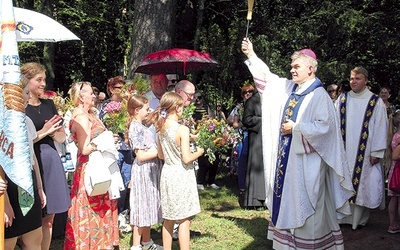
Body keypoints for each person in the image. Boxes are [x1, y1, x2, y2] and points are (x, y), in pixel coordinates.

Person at [241, 37, 354, 249]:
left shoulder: (319, 96)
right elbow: (268, 78)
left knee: (309, 210)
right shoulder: (290, 89)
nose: (292, 70)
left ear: (310, 68)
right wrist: (251, 55)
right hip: (288, 165)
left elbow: (326, 130)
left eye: (296, 67)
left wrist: (297, 128)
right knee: (286, 201)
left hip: (308, 166)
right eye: (292, 67)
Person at [64, 81, 119, 249]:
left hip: (96, 164)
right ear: (81, 97)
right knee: (90, 207)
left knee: (99, 204)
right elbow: (84, 148)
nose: (94, 95)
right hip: (90, 168)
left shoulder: (89, 114)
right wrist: (103, 141)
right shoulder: (81, 117)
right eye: (90, 93)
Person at [22, 62, 71, 250]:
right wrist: (43, 131)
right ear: (27, 81)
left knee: (50, 217)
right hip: (33, 161)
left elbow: (61, 136)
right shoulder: (22, 109)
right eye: (38, 80)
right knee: (36, 215)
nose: (43, 84)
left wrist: (52, 132)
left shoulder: (49, 104)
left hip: (51, 160)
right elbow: (23, 142)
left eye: (44, 79)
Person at [149, 92, 204, 250]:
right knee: (184, 219)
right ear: (177, 108)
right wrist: (199, 151)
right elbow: (187, 158)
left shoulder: (160, 128)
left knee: (169, 218)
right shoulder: (182, 129)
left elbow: (160, 155)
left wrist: (190, 137)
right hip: (181, 174)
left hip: (167, 173)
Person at [337, 67, 388, 230]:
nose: (353, 81)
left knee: (363, 185)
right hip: (344, 151)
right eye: (351, 78)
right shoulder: (342, 100)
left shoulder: (375, 102)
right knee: (343, 182)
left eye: (357, 78)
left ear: (366, 80)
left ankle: (358, 220)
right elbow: (334, 124)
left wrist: (376, 151)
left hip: (365, 154)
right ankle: (342, 218)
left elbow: (381, 126)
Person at [4, 76, 47, 250]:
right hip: (8, 183)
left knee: (34, 237)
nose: (29, 97)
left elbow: (32, 157)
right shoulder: (2, 124)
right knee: (8, 241)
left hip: (28, 184)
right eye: (26, 92)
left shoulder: (27, 121)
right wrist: (5, 202)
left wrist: (39, 187)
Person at [126, 95, 163, 250]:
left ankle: (146, 242)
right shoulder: (134, 127)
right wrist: (159, 152)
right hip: (143, 170)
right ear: (137, 110)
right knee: (141, 207)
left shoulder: (141, 126)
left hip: (150, 169)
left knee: (148, 205)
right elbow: (140, 155)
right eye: (146, 109)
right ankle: (136, 245)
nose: (149, 112)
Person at [99, 76, 133, 227]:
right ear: (111, 89)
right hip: (112, 149)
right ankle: (110, 215)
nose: (122, 90)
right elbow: (100, 126)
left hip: (127, 148)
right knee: (112, 182)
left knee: (126, 183)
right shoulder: (105, 106)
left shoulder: (128, 105)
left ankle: (121, 214)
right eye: (119, 87)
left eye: (123, 87)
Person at [227, 84, 254, 196]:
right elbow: (235, 124)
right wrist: (245, 123)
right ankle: (242, 188)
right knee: (242, 160)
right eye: (245, 92)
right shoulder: (239, 107)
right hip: (241, 136)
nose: (248, 94)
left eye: (250, 91)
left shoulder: (258, 106)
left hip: (254, 136)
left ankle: (253, 187)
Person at [242, 88, 265, 209]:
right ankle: (255, 200)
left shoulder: (270, 100)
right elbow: (246, 119)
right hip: (257, 138)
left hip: (268, 138)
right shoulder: (252, 101)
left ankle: (266, 198)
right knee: (256, 166)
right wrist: (263, 120)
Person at [192, 92, 219, 190]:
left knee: (214, 158)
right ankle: (200, 181)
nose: (197, 99)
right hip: (195, 135)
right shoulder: (191, 108)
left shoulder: (206, 107)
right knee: (201, 159)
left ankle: (211, 181)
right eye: (195, 97)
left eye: (199, 97)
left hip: (207, 134)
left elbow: (212, 117)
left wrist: (208, 119)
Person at [388, 110, 400, 234]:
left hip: (393, 172)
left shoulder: (394, 135)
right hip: (399, 171)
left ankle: (392, 225)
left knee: (393, 199)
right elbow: (396, 156)